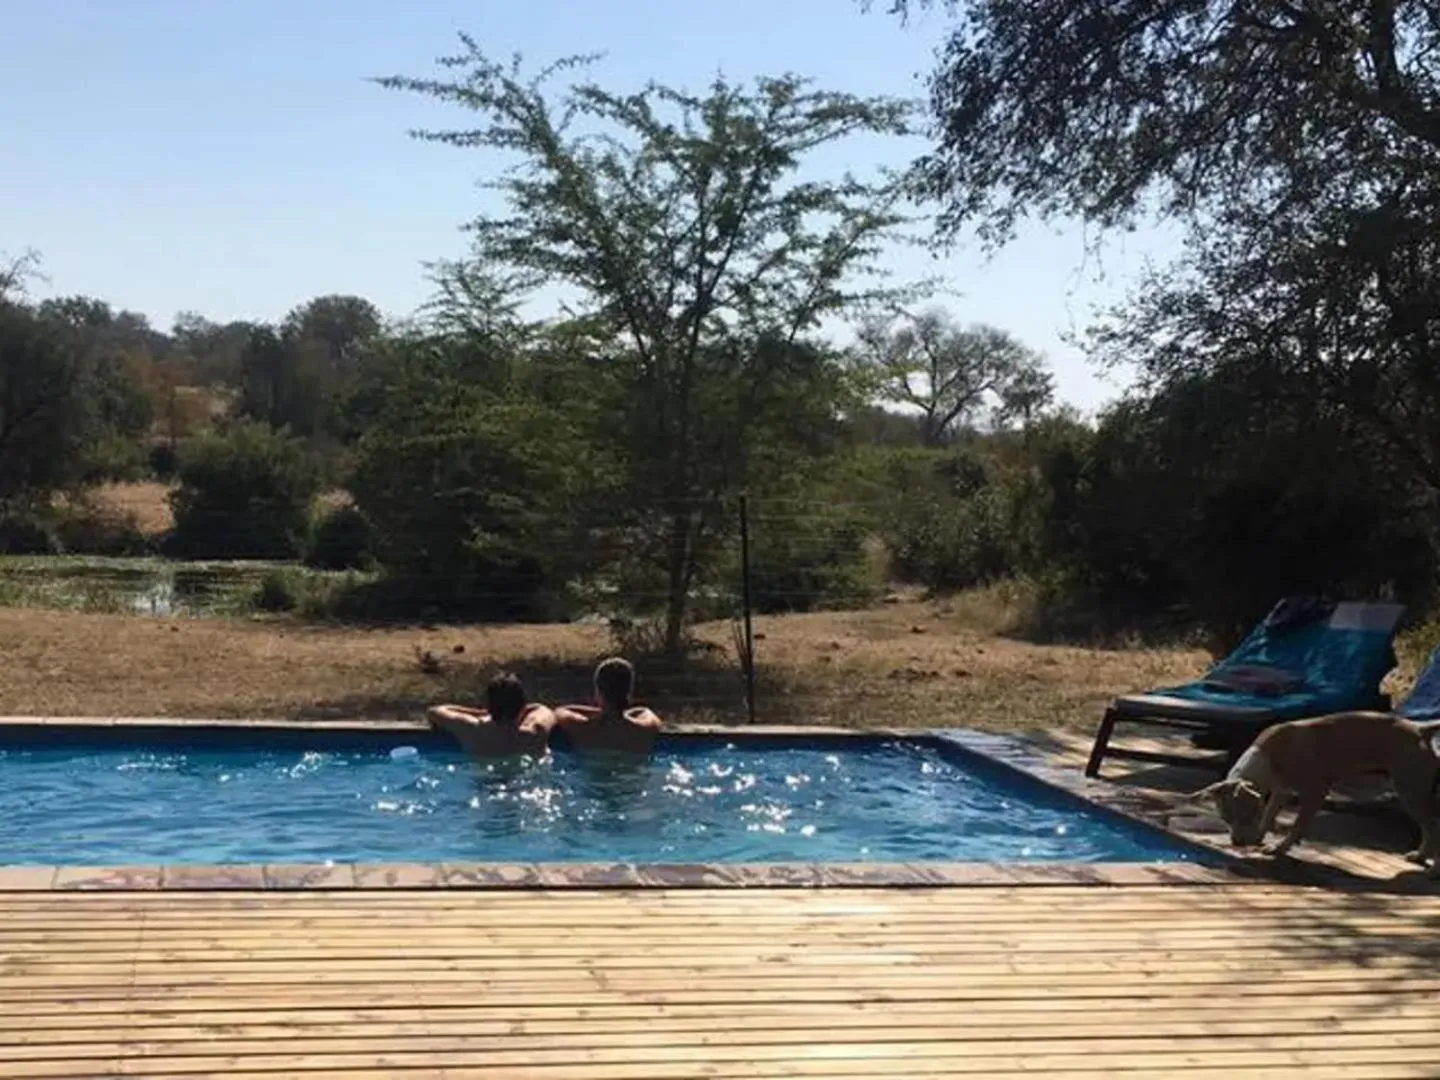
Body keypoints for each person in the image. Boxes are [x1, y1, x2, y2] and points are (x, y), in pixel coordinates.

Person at [426, 672, 555, 759]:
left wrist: (479, 713)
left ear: (489, 706)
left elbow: (434, 711)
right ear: (522, 707)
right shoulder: (536, 732)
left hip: (485, 788)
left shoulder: (471, 729)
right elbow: (543, 709)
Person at [554, 656, 663, 755]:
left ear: (598, 694)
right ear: (629, 693)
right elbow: (645, 711)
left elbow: (560, 711)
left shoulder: (581, 728)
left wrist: (601, 711)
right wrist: (619, 710)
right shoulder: (646, 729)